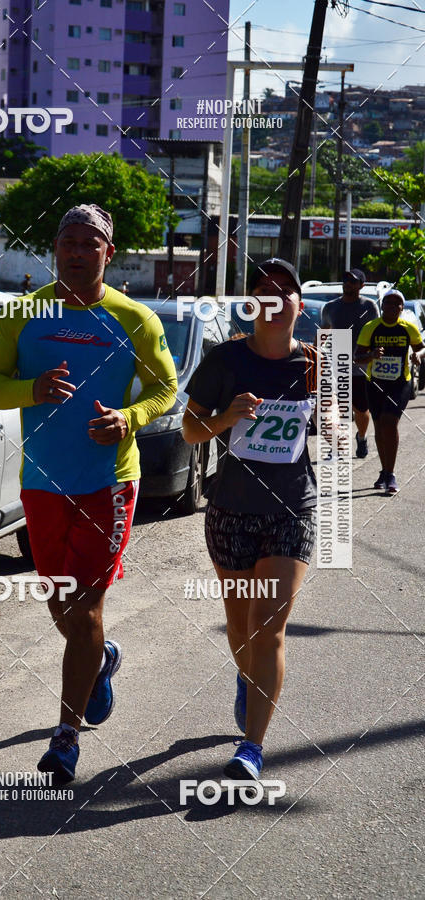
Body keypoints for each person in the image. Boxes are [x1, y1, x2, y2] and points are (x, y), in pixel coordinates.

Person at [0, 203, 177, 782]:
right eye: (68, 240)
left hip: (108, 481)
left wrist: (130, 416)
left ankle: (65, 737)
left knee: (86, 605)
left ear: (109, 254)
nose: (78, 251)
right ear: (54, 248)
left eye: (91, 242)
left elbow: (165, 388)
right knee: (60, 603)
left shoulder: (135, 318)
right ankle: (102, 658)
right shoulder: (21, 314)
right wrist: (32, 388)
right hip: (42, 480)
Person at [183, 258, 321, 785]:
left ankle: (252, 749)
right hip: (231, 510)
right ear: (252, 303)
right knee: (241, 629)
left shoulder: (314, 363)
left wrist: (326, 393)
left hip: (292, 509)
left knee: (268, 629)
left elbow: (334, 430)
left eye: (286, 290)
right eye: (264, 289)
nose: (275, 297)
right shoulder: (225, 360)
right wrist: (226, 417)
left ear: (298, 306)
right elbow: (191, 433)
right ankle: (248, 680)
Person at [355, 288, 425, 493]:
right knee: (378, 426)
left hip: (400, 383)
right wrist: (372, 355)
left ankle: (391, 473)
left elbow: (422, 347)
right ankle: (384, 471)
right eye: (389, 303)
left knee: (389, 421)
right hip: (375, 382)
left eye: (398, 304)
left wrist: (418, 355)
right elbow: (357, 357)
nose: (393, 307)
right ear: (382, 306)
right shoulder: (371, 327)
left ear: (402, 307)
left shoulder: (408, 327)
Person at [320, 269, 378, 459]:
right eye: (345, 280)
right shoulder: (330, 307)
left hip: (361, 367)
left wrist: (373, 354)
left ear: (361, 285)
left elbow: (375, 334)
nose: (348, 284)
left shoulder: (369, 307)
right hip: (337, 367)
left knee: (361, 410)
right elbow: (323, 332)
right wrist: (314, 354)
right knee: (338, 408)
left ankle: (361, 437)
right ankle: (337, 444)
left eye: (353, 281)